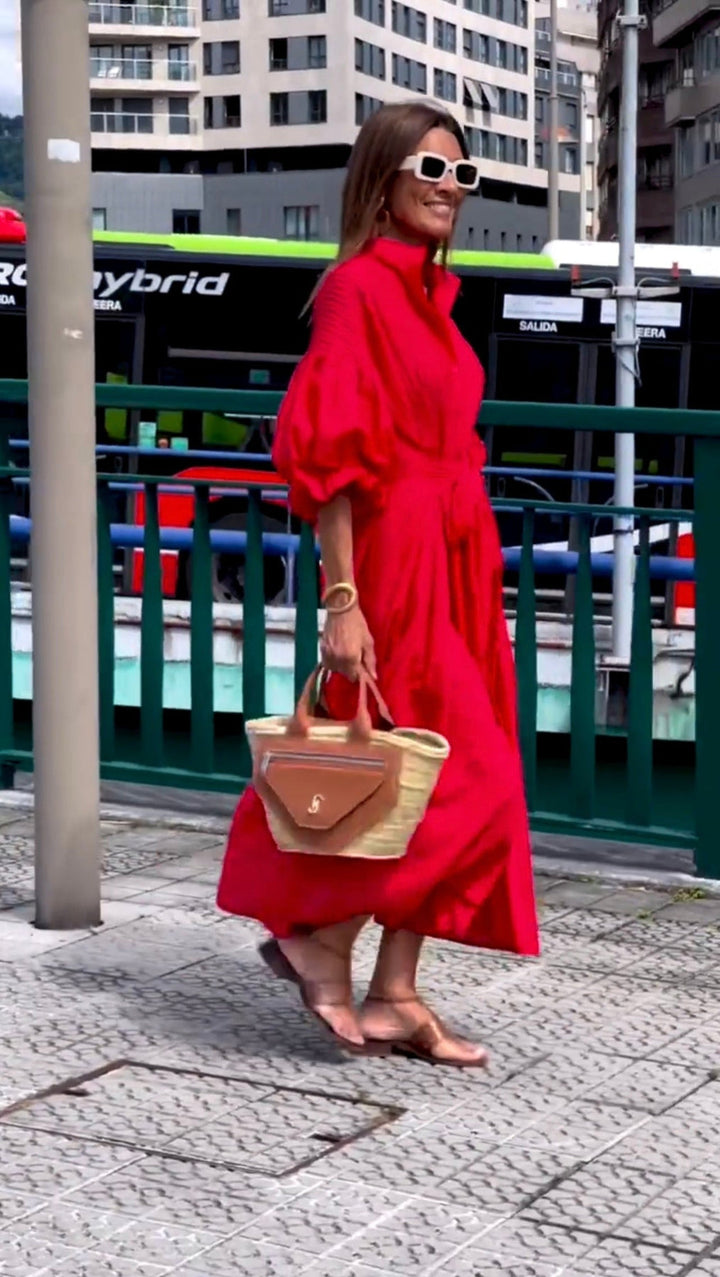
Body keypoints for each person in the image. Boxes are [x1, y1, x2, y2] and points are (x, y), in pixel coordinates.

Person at [217, 101, 539, 1067]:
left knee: (433, 771)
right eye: (430, 169)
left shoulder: (433, 296)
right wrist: (343, 600)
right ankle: (320, 939)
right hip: (397, 558)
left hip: (457, 555)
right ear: (385, 180)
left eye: (462, 173)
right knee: (464, 775)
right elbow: (329, 459)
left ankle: (396, 990)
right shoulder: (359, 290)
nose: (449, 188)